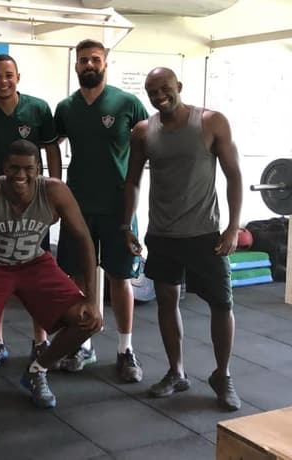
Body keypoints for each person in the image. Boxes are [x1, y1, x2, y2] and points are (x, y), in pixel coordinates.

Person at [0, 139, 101, 411]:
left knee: (89, 321)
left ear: (38, 168)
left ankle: (37, 371)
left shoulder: (54, 191)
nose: (20, 175)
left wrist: (92, 298)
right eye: (14, 168)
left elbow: (84, 239)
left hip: (34, 264)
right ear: (4, 167)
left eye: (28, 168)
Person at [123, 67, 242, 411]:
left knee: (222, 305)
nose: (159, 94)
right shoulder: (143, 131)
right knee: (166, 302)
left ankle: (222, 374)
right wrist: (126, 226)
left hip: (206, 234)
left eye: (165, 88)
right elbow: (132, 181)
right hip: (162, 234)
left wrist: (234, 227)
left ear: (179, 87)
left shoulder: (211, 122)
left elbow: (233, 175)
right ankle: (176, 372)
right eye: (152, 90)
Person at [54, 38, 147, 381]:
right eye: (83, 60)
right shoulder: (66, 108)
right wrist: (54, 189)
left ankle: (125, 350)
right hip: (78, 206)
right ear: (76, 65)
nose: (89, 65)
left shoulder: (128, 103)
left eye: (95, 59)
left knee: (120, 278)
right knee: (79, 279)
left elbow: (150, 144)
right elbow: (50, 146)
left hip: (118, 209)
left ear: (105, 63)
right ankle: (84, 345)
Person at [0, 54, 62, 371]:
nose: (2, 81)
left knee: (37, 275)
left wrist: (56, 192)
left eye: (8, 75)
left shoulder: (37, 108)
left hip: (33, 203)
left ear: (17, 76)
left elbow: (51, 149)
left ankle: (40, 341)